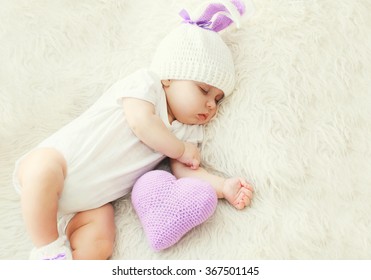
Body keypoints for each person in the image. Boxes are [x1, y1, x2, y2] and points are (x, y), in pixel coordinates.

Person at [12, 0, 254, 260]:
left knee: (100, 241)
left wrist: (223, 186)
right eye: (204, 90)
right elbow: (142, 123)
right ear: (169, 78)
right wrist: (180, 149)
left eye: (218, 99)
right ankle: (48, 250)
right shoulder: (146, 85)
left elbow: (186, 171)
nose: (210, 104)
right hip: (60, 162)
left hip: (91, 203)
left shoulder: (188, 132)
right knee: (42, 168)